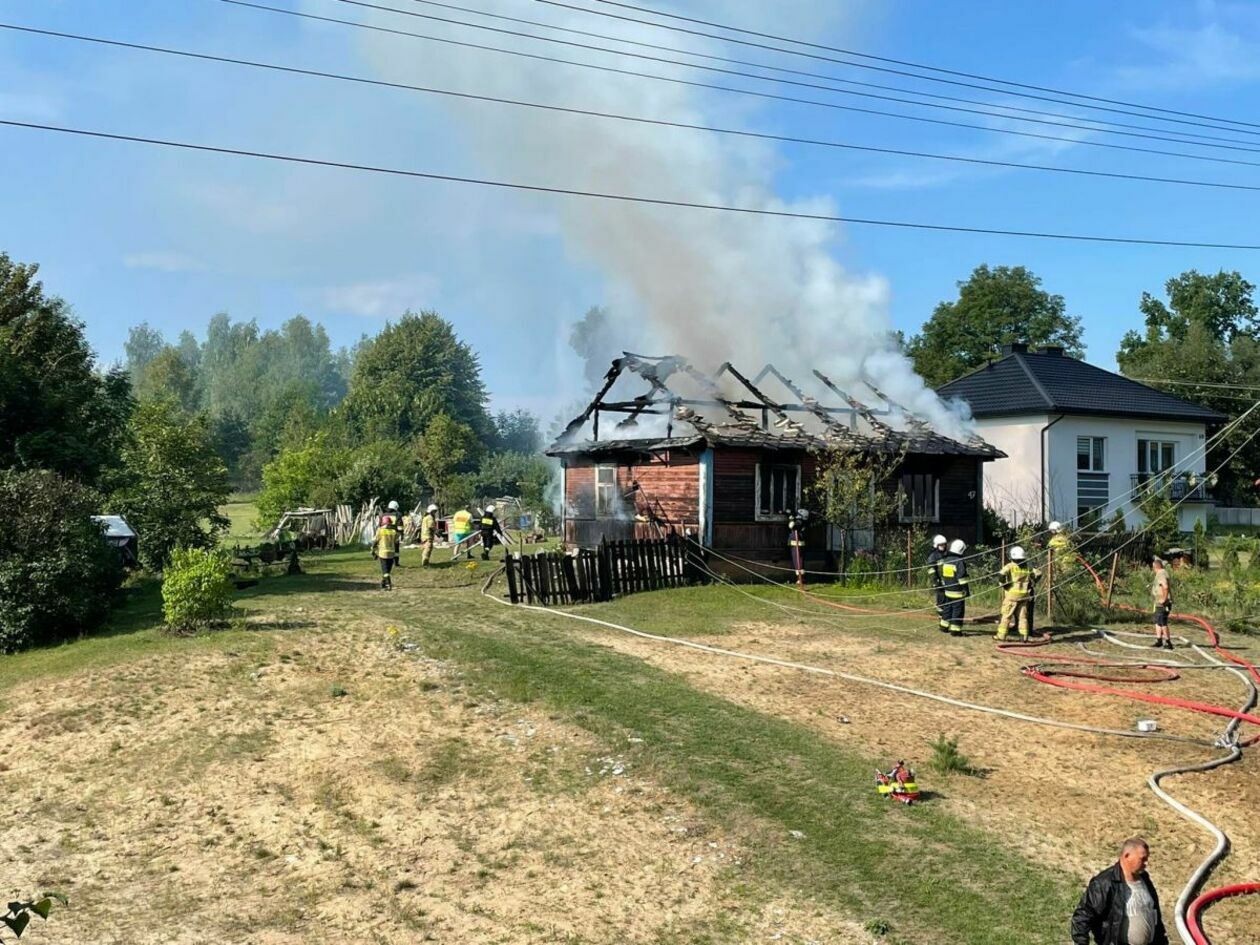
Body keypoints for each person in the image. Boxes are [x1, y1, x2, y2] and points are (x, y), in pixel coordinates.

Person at [1070, 837, 1168, 945]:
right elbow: (1082, 917)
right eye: (1143, 859)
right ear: (1127, 856)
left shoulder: (1145, 879)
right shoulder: (1105, 883)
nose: (1146, 863)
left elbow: (1155, 916)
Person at [997, 545, 1040, 642]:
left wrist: (1004, 585)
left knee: (1006, 616)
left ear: (1012, 556)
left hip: (1012, 595)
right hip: (1024, 596)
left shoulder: (1010, 566)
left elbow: (1001, 574)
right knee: (1023, 617)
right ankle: (1024, 636)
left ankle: (1001, 636)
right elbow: (1038, 573)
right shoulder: (1028, 566)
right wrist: (1033, 582)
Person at [940, 539, 970, 637]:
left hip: (947, 590)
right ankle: (955, 630)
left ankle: (944, 626)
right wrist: (966, 590)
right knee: (958, 610)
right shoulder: (959, 562)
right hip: (957, 592)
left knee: (947, 608)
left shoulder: (946, 560)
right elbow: (962, 579)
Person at [926, 534, 949, 633]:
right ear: (936, 545)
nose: (943, 547)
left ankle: (947, 618)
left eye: (944, 545)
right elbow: (931, 570)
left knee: (949, 601)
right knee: (941, 602)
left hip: (949, 582)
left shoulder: (948, 554)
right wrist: (935, 581)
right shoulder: (933, 556)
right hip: (939, 583)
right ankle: (941, 618)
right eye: (941, 545)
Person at [371, 515, 399, 590]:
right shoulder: (394, 532)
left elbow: (375, 541)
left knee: (385, 570)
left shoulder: (380, 531)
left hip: (383, 553)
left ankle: (388, 584)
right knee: (388, 570)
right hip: (391, 553)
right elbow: (396, 542)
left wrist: (373, 550)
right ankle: (383, 583)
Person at [1151, 557, 1173, 650]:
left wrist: (1164, 599)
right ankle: (1159, 640)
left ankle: (1168, 642)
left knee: (1162, 622)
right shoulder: (1161, 573)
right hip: (1158, 603)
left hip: (1163, 603)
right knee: (1157, 621)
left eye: (1153, 567)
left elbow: (1165, 586)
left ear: (1155, 567)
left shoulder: (1161, 574)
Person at [385, 500, 404, 569]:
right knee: (396, 550)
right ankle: (396, 563)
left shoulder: (384, 514)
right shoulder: (398, 514)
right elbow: (400, 526)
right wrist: (401, 534)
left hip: (385, 534)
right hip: (394, 534)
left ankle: (386, 562)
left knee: (387, 548)